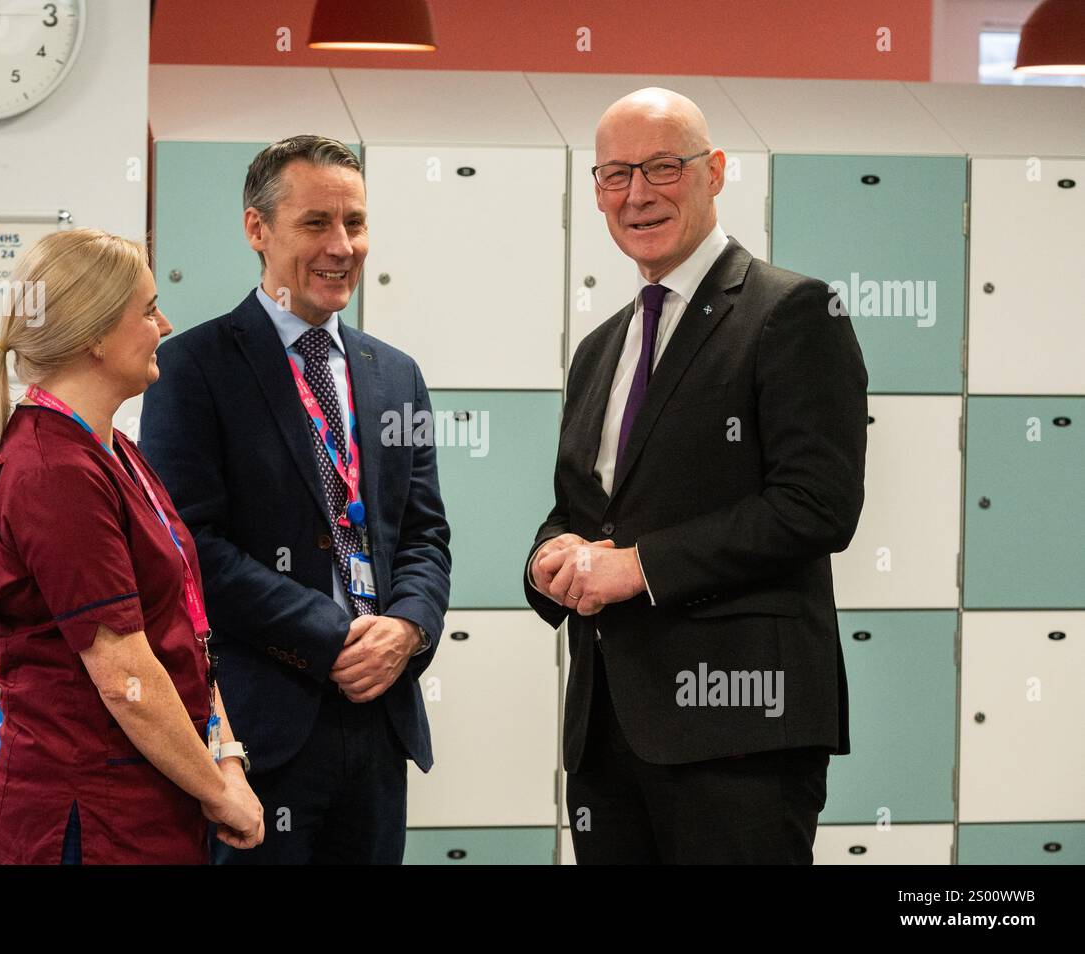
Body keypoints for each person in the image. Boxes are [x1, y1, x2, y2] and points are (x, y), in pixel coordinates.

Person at [524, 89, 868, 864]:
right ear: (596, 193)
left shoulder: (794, 311)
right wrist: (550, 555)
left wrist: (639, 567)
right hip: (607, 733)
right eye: (616, 175)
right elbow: (583, 509)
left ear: (713, 172)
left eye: (662, 167)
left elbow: (816, 505)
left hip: (738, 732)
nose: (637, 194)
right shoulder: (600, 349)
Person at [140, 135, 451, 865]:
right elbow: (192, 548)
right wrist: (333, 635)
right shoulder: (193, 368)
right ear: (258, 228)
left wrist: (406, 628)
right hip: (259, 731)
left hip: (378, 720)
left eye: (355, 223)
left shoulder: (395, 375)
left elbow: (424, 535)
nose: (342, 246)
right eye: (316, 223)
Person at [0, 227, 264, 864]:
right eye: (148, 311)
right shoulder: (54, 473)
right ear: (94, 335)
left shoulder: (112, 450)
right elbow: (124, 673)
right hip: (90, 820)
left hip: (149, 806)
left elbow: (181, 628)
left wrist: (227, 758)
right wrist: (218, 792)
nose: (166, 325)